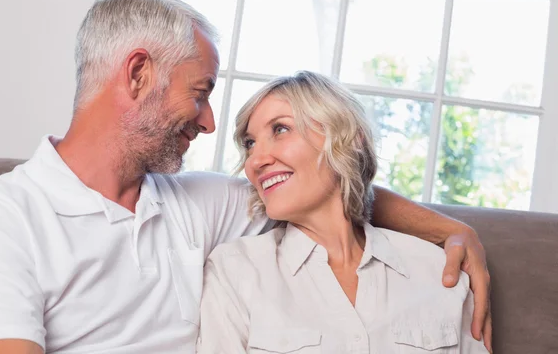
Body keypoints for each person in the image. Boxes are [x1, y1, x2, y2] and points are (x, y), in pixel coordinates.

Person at [0, 0, 490, 354]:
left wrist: (450, 230)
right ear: (139, 74)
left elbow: (328, 188)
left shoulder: (198, 204)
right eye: (201, 93)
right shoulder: (5, 217)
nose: (210, 123)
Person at [198, 71, 489, 353]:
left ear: (349, 139)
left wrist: (458, 231)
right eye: (250, 144)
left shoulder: (440, 272)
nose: (256, 160)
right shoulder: (235, 271)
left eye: (281, 129)